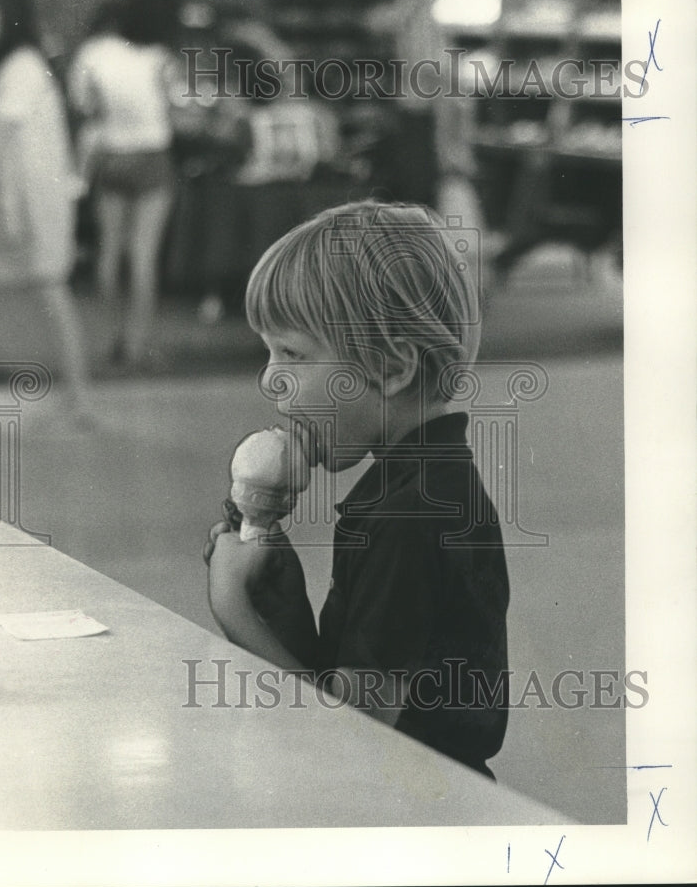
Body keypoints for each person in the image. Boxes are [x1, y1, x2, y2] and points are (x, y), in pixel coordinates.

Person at [203, 200, 510, 778]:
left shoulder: (411, 517)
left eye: (292, 352)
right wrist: (289, 614)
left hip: (424, 812)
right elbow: (352, 681)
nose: (269, 376)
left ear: (392, 368)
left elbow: (352, 732)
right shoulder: (413, 487)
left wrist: (233, 608)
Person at [0, 0, 92, 422]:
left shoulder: (21, 68)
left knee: (44, 293)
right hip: (4, 203)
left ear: (5, 16)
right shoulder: (8, 66)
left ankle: (80, 399)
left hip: (25, 207)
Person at [67, 0, 182, 371]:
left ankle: (107, 342)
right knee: (144, 255)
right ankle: (136, 346)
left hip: (112, 158)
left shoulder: (95, 53)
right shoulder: (162, 58)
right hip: (152, 158)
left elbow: (83, 105)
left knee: (109, 252)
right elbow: (177, 109)